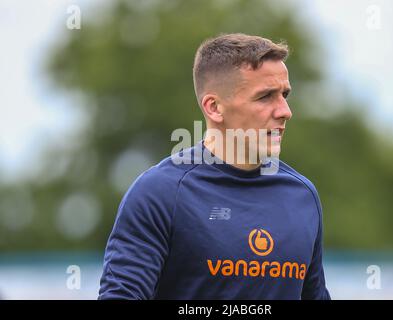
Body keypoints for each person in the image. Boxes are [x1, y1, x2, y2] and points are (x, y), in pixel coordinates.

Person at [98, 33, 330, 300]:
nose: (285, 111)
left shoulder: (302, 195)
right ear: (214, 107)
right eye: (265, 97)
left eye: (284, 95)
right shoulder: (160, 194)